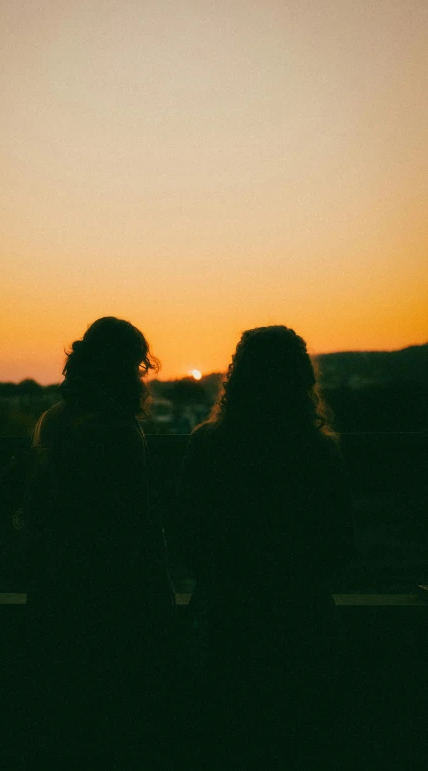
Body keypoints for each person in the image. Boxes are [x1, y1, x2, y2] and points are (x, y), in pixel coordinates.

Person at [176, 326, 354, 769]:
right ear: (301, 379)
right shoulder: (319, 452)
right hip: (302, 618)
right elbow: (340, 544)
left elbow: (187, 536)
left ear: (237, 376)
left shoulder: (206, 444)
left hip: (228, 619)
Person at [26, 317, 175, 767]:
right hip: (114, 602)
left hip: (56, 591)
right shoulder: (117, 432)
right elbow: (133, 528)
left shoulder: (52, 421)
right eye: (136, 368)